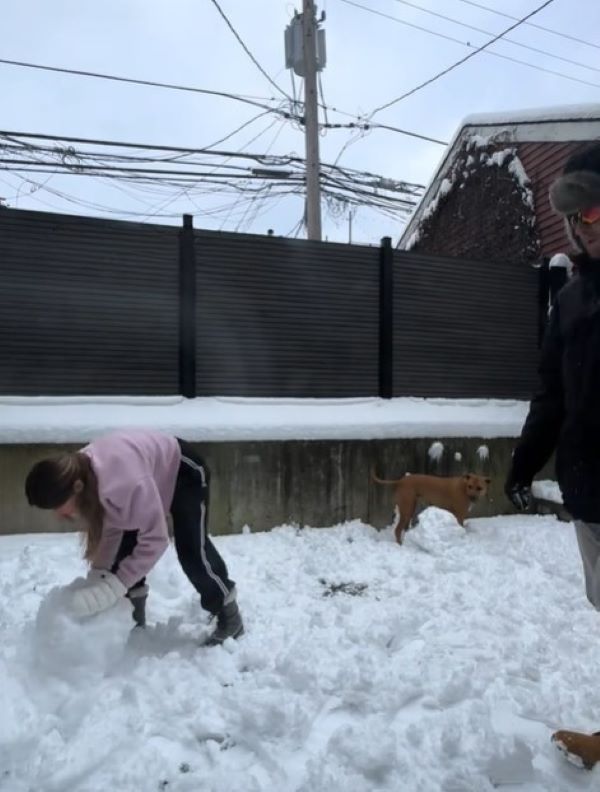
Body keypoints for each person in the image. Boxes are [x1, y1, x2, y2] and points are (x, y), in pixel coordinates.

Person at [505, 142, 600, 768]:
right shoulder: (571, 299)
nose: (584, 225)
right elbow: (552, 394)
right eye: (578, 216)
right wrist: (523, 464)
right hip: (593, 493)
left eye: (595, 211)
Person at [25, 429, 244, 646]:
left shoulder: (125, 482)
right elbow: (112, 528)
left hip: (184, 470)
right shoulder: (80, 474)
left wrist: (115, 586)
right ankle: (131, 617)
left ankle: (229, 615)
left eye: (58, 506)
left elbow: (155, 539)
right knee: (125, 548)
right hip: (144, 472)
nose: (59, 514)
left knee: (192, 550)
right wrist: (99, 576)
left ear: (77, 488)